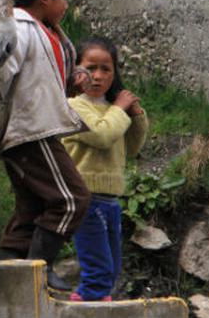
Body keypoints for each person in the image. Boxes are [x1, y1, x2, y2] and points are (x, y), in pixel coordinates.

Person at [0, 0, 91, 291]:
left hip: (34, 128)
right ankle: (38, 269)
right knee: (72, 199)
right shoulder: (19, 27)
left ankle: (8, 271)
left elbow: (40, 77)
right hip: (31, 131)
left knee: (32, 205)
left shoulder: (46, 31)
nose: (66, 5)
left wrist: (71, 82)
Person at [63, 36, 149, 302]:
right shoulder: (72, 105)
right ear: (75, 70)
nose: (97, 76)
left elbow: (131, 148)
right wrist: (120, 109)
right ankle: (86, 306)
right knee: (98, 272)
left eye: (106, 69)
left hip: (110, 200)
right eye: (90, 68)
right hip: (85, 198)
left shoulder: (112, 109)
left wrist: (135, 115)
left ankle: (96, 303)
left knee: (111, 271)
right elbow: (102, 135)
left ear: (115, 73)